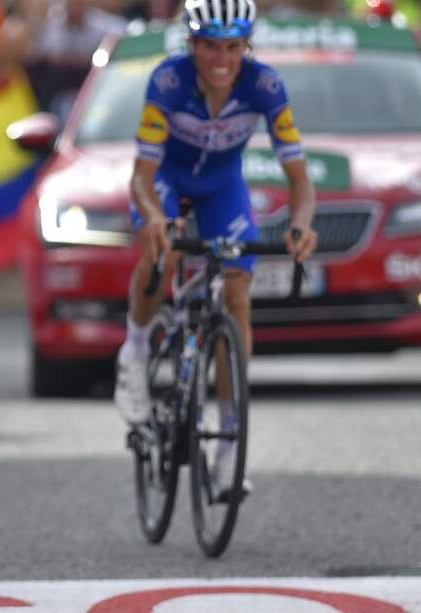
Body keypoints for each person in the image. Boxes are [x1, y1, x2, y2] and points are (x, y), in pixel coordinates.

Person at [113, 0, 317, 496]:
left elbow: (298, 176)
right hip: (166, 180)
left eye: (232, 47)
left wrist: (300, 224)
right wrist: (155, 216)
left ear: (247, 46)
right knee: (164, 252)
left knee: (238, 292)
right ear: (192, 44)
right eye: (209, 47)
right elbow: (141, 175)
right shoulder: (169, 81)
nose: (221, 60)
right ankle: (134, 351)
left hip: (222, 186)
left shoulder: (265, 85)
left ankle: (228, 443)